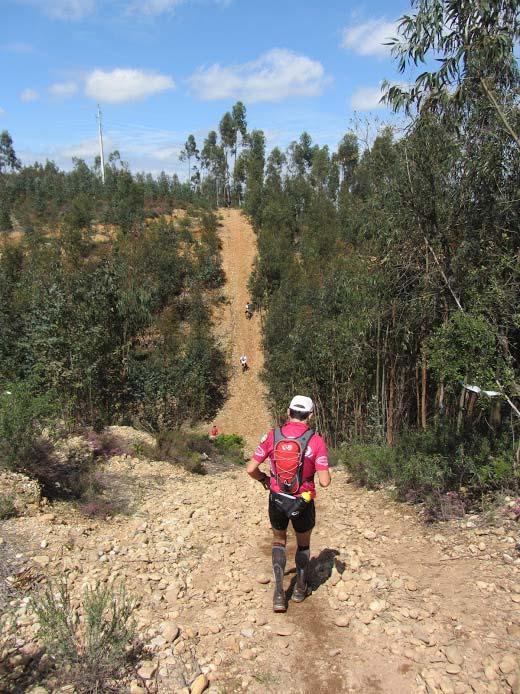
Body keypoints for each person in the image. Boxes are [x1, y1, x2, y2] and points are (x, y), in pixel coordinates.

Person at [246, 395, 331, 612]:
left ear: (288, 412)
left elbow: (250, 469)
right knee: (303, 544)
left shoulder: (272, 436)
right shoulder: (316, 441)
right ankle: (300, 589)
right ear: (311, 415)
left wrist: (265, 479)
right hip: (303, 501)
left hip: (276, 499)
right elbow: (325, 482)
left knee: (278, 541)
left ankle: (278, 594)